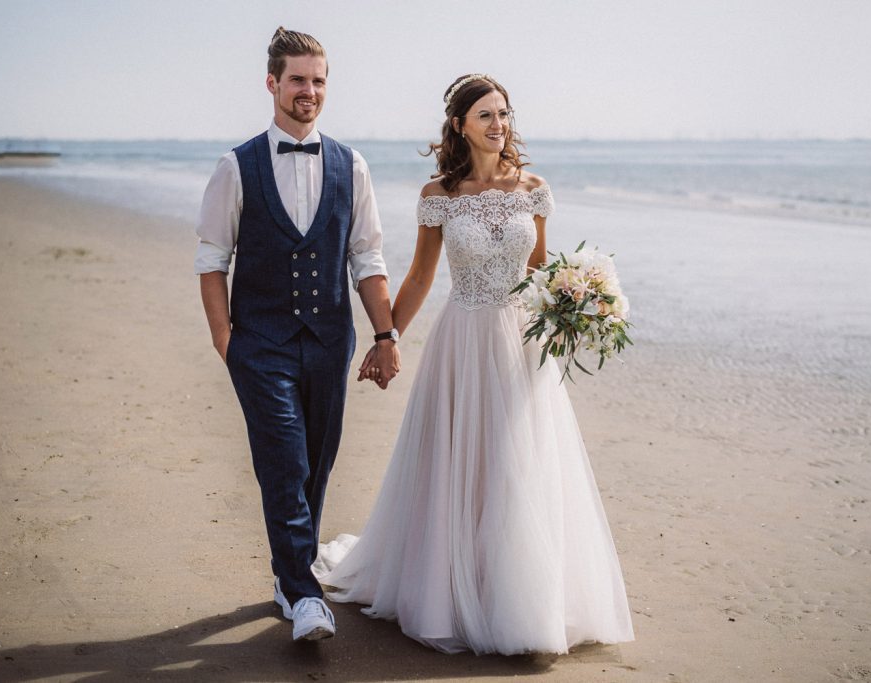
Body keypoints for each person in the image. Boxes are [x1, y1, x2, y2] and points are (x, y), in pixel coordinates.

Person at [317, 74, 634, 654]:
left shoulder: (533, 188)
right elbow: (418, 276)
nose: (499, 125)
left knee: (520, 464)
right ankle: (452, 592)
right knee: (461, 462)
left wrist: (578, 306)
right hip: (462, 341)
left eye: (504, 114)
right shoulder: (439, 196)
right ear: (460, 124)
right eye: (485, 115)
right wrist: (386, 337)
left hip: (520, 344)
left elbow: (540, 271)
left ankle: (519, 601)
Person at [194, 26, 400, 642]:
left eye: (317, 80)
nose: (308, 90)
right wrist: (225, 342)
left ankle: (287, 580)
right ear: (272, 83)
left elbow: (368, 258)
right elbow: (212, 259)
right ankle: (307, 595)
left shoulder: (351, 164)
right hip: (258, 345)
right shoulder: (237, 165)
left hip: (329, 341)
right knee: (283, 462)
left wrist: (385, 336)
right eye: (297, 79)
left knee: (315, 464)